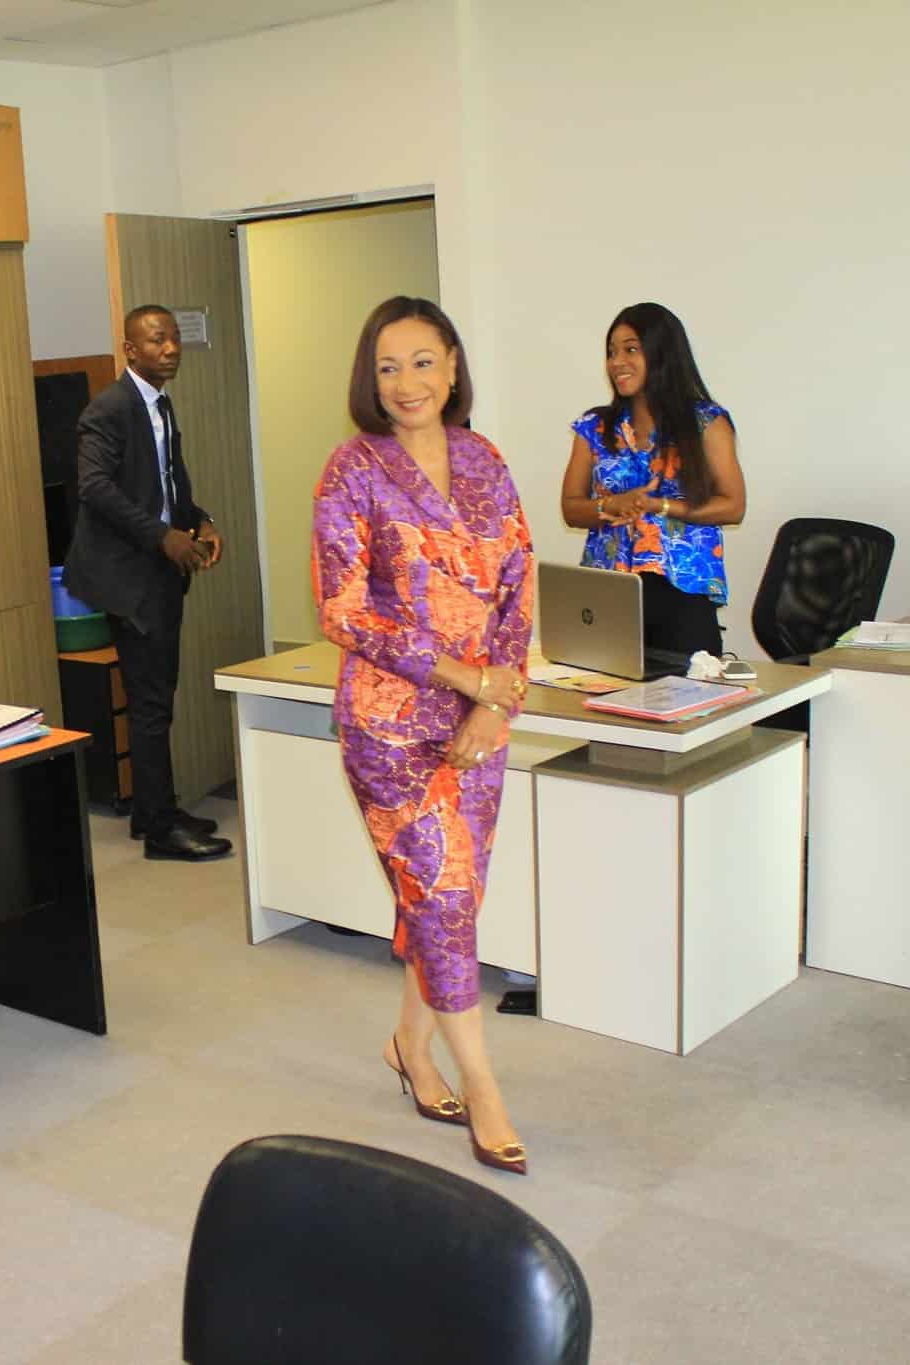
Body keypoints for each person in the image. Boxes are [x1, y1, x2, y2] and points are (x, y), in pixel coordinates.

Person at [311, 297, 534, 1174]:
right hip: (389, 723)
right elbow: (342, 610)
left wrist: (496, 702)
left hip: (480, 721)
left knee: (448, 899)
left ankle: (410, 1045)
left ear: (452, 365)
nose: (406, 383)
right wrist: (464, 679)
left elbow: (518, 584)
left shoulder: (485, 458)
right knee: (439, 896)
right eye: (387, 367)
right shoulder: (351, 469)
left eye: (422, 361)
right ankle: (483, 1084)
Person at [63, 304, 232, 861]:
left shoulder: (159, 402)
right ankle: (160, 830)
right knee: (151, 701)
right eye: (158, 340)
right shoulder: (109, 408)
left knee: (156, 695)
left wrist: (200, 520)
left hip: (156, 568)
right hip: (128, 575)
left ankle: (151, 810)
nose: (171, 348)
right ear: (130, 349)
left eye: (174, 338)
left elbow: (166, 482)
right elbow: (95, 488)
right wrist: (164, 537)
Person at [558, 302, 746, 657]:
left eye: (630, 349)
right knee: (604, 689)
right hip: (610, 594)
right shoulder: (594, 427)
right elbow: (571, 508)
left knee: (689, 691)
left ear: (662, 353)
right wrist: (611, 505)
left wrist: (658, 506)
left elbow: (733, 505)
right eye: (611, 352)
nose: (617, 362)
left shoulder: (706, 423)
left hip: (682, 596)